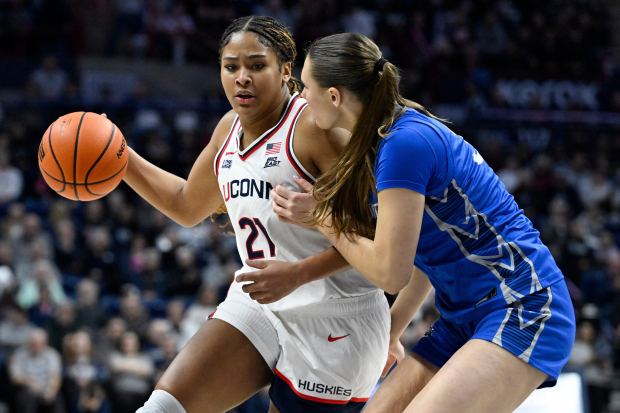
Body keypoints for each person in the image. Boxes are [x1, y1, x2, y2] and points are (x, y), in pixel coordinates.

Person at [259, 32, 576, 412]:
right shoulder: (384, 137)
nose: (301, 98)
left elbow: (391, 274)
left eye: (307, 87)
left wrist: (325, 219)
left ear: (334, 96)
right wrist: (391, 332)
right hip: (465, 314)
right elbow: (426, 254)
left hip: (523, 303)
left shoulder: (403, 145)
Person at [124, 17, 390, 413]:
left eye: (256, 65)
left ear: (286, 70)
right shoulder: (228, 129)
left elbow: (382, 242)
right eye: (231, 67)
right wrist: (120, 158)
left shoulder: (316, 129)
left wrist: (298, 273)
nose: (242, 78)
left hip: (336, 317)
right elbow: (186, 205)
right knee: (162, 408)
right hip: (261, 302)